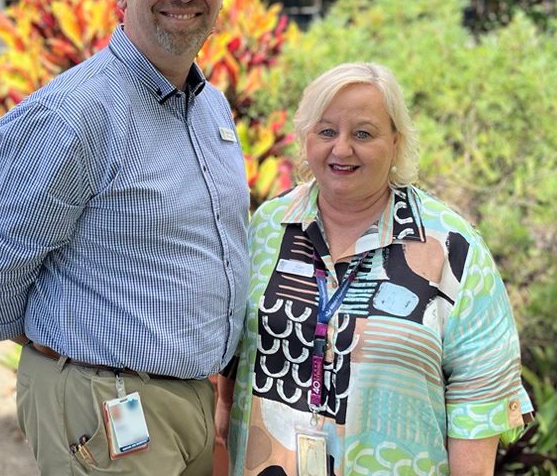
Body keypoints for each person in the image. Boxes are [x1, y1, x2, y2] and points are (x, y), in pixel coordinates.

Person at [0, 0, 250, 476]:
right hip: (107, 404)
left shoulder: (210, 104)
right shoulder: (70, 116)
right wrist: (69, 352)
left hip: (190, 397)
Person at [219, 63, 533, 475]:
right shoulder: (264, 230)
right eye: (327, 131)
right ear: (306, 138)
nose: (342, 149)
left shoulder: (452, 247)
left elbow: (480, 396)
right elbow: (226, 371)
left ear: (396, 142)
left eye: (363, 134)